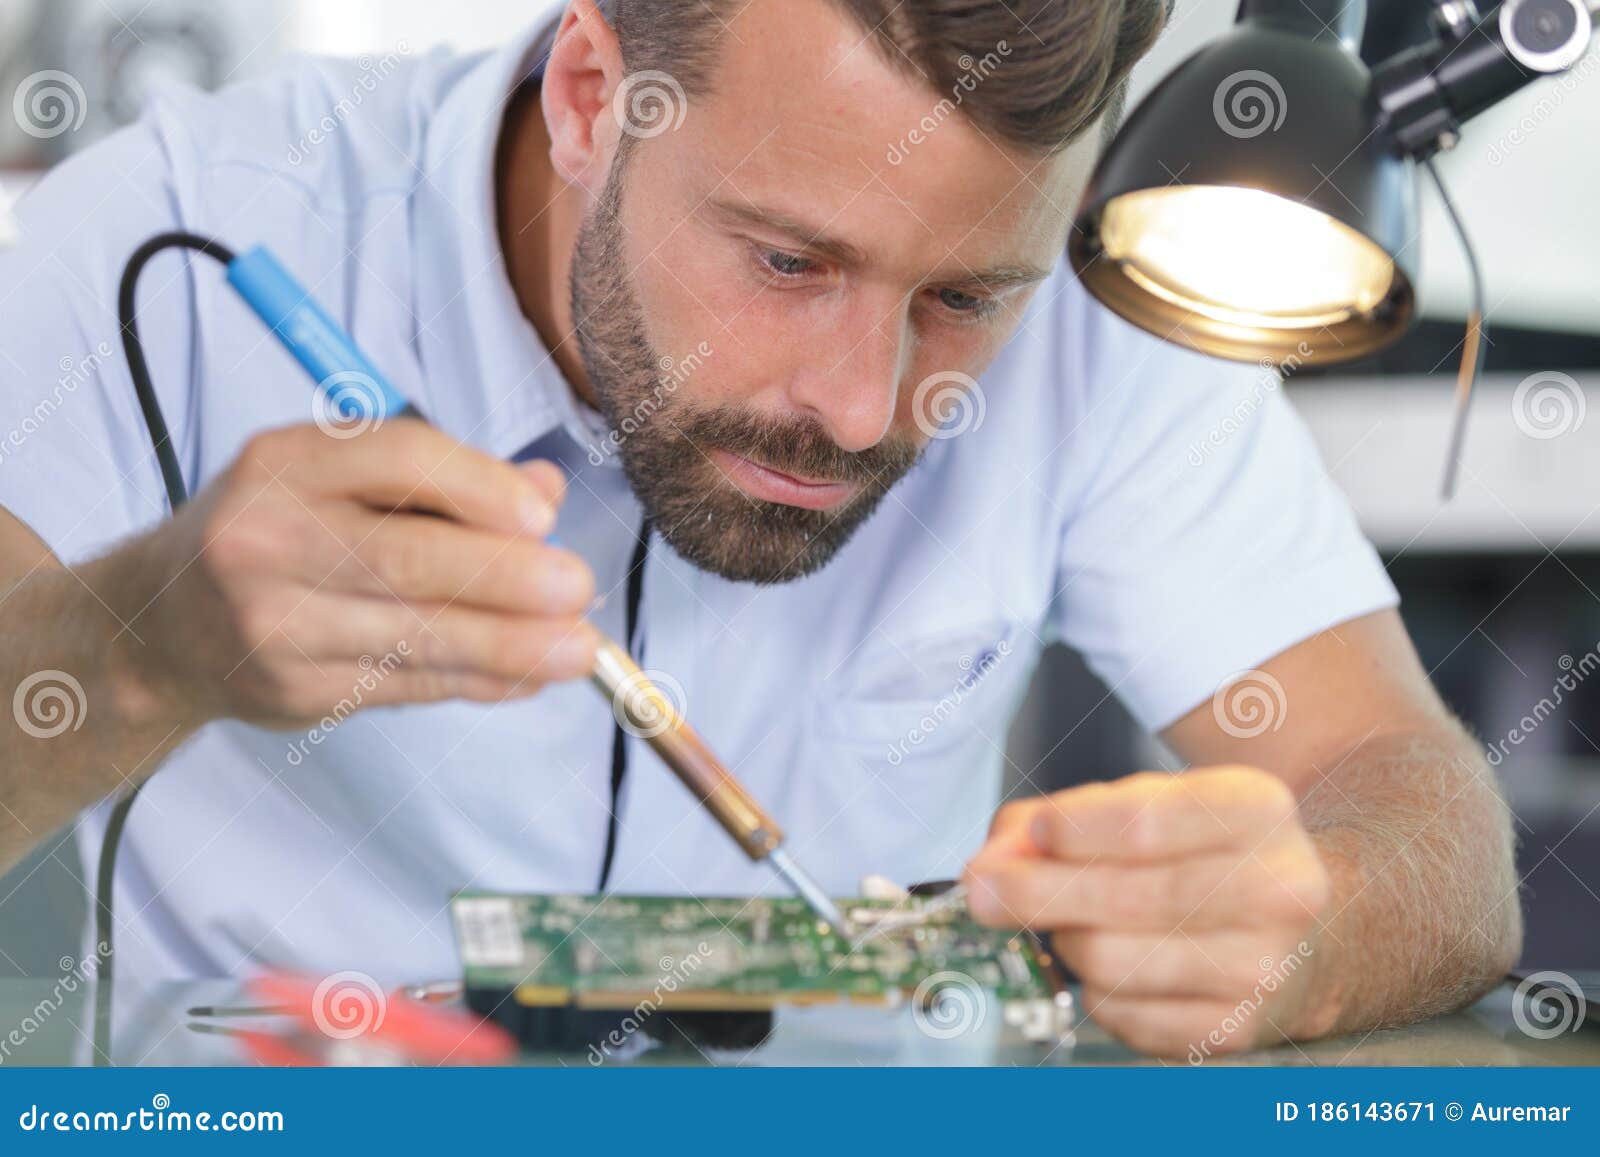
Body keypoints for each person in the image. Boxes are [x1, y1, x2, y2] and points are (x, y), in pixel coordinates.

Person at [0, 0, 1517, 1058]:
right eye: (790, 262)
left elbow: (1428, 820)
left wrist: (1312, 927)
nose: (860, 409)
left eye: (963, 299)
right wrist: (142, 644)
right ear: (590, 95)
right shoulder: (184, 224)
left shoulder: (1118, 287)